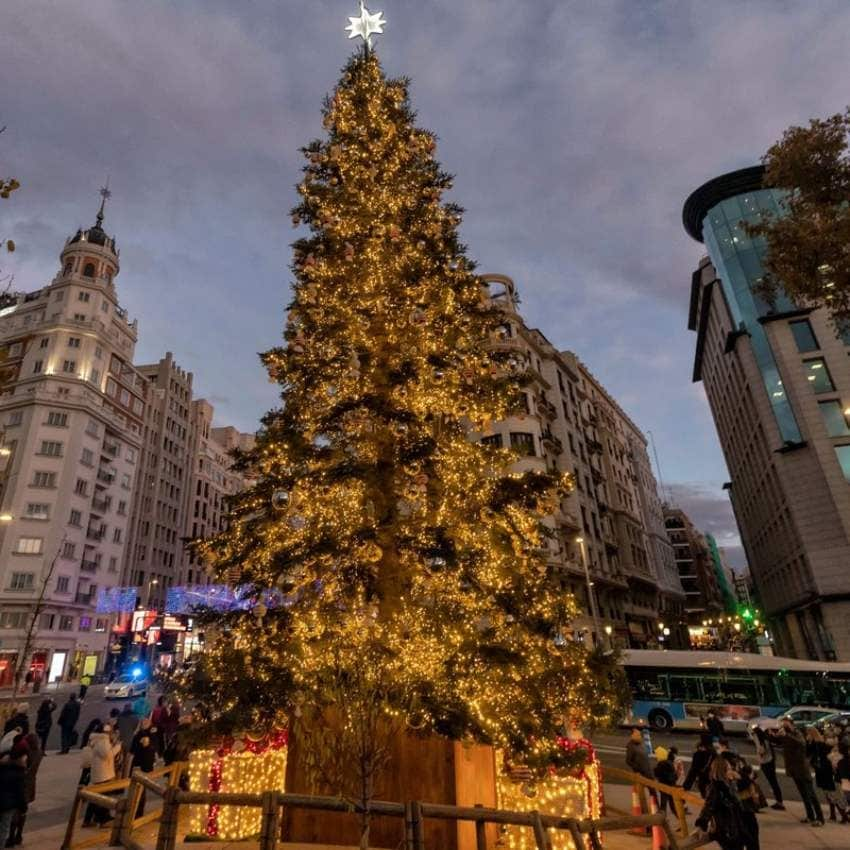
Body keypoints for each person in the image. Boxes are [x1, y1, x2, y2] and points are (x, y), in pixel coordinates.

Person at [774, 717, 824, 826]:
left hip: (802, 769)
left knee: (811, 795)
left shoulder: (797, 733)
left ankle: (820, 818)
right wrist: (774, 735)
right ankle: (810, 816)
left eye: (785, 723)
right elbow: (779, 744)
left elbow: (801, 743)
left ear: (790, 723)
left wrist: (786, 735)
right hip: (793, 769)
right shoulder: (786, 734)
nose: (783, 724)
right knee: (804, 795)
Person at [695, 756, 752, 850]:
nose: (731, 771)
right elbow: (708, 807)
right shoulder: (716, 788)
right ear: (722, 770)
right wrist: (701, 825)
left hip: (735, 829)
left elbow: (747, 782)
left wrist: (738, 776)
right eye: (728, 769)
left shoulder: (729, 785)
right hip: (726, 831)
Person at [6, 729, 42, 847]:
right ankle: (19, 835)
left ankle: (11, 837)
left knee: (15, 812)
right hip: (30, 785)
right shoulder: (39, 753)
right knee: (23, 812)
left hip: (20, 784)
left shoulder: (26, 754)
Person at [81, 724, 121, 827]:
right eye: (111, 731)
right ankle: (103, 819)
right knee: (103, 797)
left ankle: (88, 819)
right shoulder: (103, 741)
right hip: (104, 774)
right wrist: (117, 747)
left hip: (99, 773)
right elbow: (107, 755)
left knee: (96, 797)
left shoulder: (97, 740)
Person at [807, 726, 848, 823]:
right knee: (827, 794)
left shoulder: (822, 743)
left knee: (833, 794)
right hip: (821, 771)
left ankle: (844, 816)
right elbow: (808, 753)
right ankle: (833, 814)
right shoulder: (815, 743)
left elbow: (828, 756)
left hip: (827, 772)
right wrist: (809, 742)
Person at [0, 736, 28, 848]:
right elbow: (20, 794)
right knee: (3, 829)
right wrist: (23, 808)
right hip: (7, 806)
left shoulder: (3, 761)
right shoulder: (19, 773)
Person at [750, 726, 784, 809]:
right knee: (772, 781)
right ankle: (779, 801)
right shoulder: (765, 738)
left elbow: (762, 751)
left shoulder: (761, 740)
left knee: (772, 781)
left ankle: (779, 802)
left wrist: (758, 753)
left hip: (767, 761)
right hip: (768, 761)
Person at [130, 733, 157, 817]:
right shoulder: (140, 748)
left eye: (146, 740)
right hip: (138, 771)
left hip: (143, 772)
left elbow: (148, 762)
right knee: (138, 794)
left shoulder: (149, 750)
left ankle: (138, 814)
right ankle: (136, 813)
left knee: (140, 794)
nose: (144, 741)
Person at [653, 746, 677, 814]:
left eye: (657, 754)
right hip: (671, 785)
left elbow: (657, 773)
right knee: (672, 804)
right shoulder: (669, 762)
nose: (656, 756)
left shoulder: (662, 763)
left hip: (664, 785)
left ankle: (663, 818)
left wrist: (655, 769)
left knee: (664, 804)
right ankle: (680, 818)